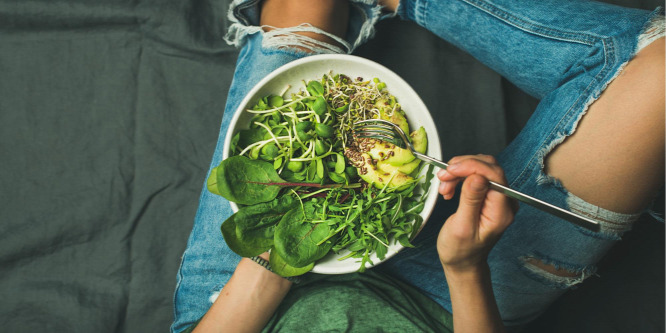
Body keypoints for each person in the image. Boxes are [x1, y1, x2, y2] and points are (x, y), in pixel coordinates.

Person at [171, 0, 665, 332]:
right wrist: (465, 266)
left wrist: (275, 249)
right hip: (444, 305)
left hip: (244, 305)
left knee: (303, 12)